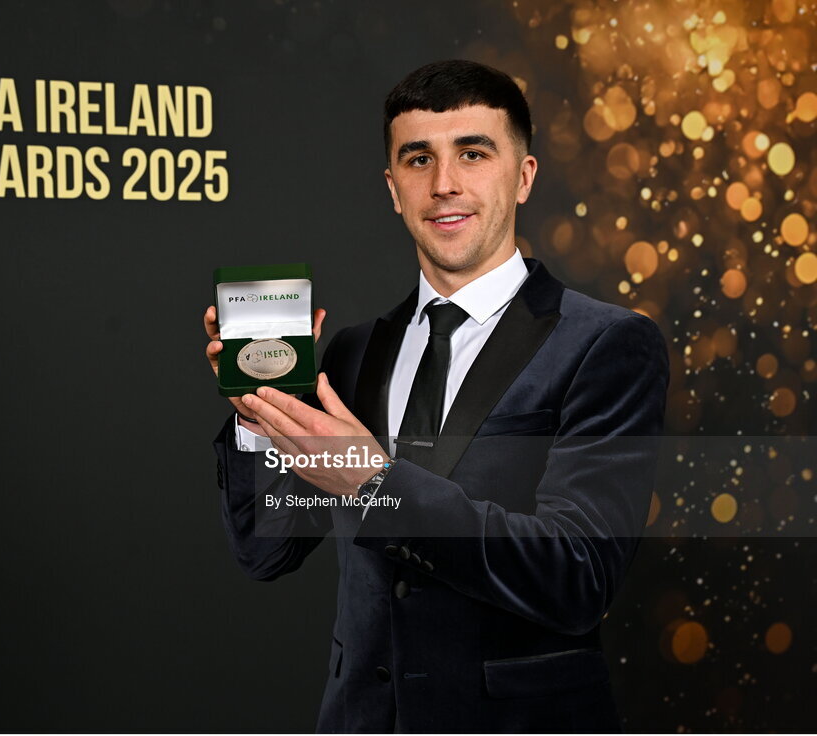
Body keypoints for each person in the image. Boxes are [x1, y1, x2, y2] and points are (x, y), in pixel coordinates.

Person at [203, 60, 669, 733]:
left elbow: (576, 579)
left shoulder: (608, 345)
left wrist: (373, 481)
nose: (444, 184)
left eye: (473, 153)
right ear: (394, 189)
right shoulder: (351, 354)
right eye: (418, 159)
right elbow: (265, 551)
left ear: (525, 175)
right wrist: (257, 418)